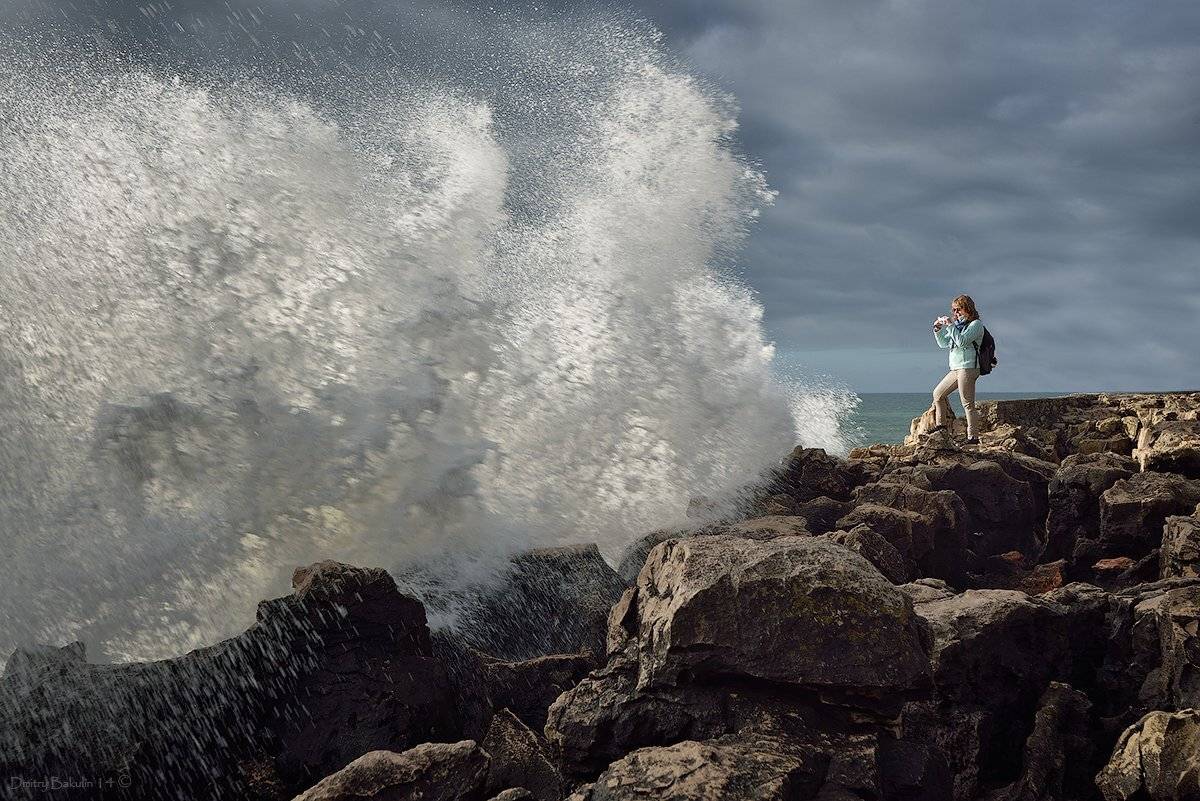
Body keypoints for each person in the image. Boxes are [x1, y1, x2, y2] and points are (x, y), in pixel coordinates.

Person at [931, 294, 985, 444]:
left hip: (968, 367)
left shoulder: (975, 325)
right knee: (938, 394)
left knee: (967, 403)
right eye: (954, 310)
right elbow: (944, 343)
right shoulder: (957, 326)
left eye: (958, 309)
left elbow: (961, 341)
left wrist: (950, 326)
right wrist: (937, 329)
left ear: (967, 308)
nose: (955, 313)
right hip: (956, 368)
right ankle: (941, 428)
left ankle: (973, 437)